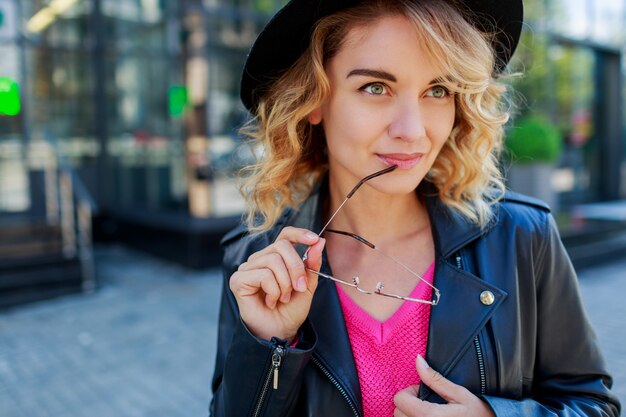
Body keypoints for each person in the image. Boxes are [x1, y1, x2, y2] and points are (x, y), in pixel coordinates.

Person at [210, 0, 621, 416]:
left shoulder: (521, 236)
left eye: (437, 91)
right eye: (375, 87)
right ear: (315, 99)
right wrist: (269, 345)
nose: (412, 130)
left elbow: (591, 403)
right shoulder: (258, 264)